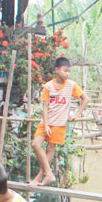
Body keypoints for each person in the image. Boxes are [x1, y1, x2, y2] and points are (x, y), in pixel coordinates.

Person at [31, 57, 88, 185]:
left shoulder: (71, 85)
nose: (67, 74)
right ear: (57, 70)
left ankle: (40, 177)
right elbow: (45, 106)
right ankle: (49, 174)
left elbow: (85, 99)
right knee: (36, 144)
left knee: (50, 148)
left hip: (60, 123)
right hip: (46, 121)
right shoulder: (48, 87)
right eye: (65, 71)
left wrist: (77, 114)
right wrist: (46, 125)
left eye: (69, 71)